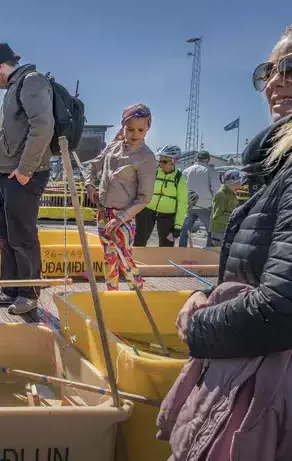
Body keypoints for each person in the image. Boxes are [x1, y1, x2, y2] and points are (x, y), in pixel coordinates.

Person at [160, 26, 292, 458]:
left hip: (267, 398)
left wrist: (197, 326)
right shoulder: (276, 168)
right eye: (268, 71)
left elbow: (280, 309)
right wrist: (204, 293)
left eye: (289, 66)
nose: (275, 81)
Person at [0, 42, 54, 314]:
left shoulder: (30, 81)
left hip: (22, 173)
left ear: (0, 67)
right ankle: (10, 288)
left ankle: (29, 293)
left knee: (22, 234)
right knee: (6, 234)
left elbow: (43, 127)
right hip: (7, 173)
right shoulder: (13, 87)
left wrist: (25, 170)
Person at [85, 104, 156, 290]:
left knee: (124, 255)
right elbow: (92, 166)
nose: (135, 133)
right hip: (103, 211)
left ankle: (137, 289)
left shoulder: (146, 156)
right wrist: (89, 184)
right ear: (123, 126)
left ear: (148, 128)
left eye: (141, 129)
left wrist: (121, 217)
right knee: (109, 255)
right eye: (130, 128)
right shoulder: (113, 148)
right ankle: (112, 291)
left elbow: (144, 197)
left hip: (123, 215)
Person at [133, 145, 188, 247]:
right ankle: (134, 261)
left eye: (165, 161)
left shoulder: (179, 178)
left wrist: (178, 226)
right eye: (160, 161)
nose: (161, 164)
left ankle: (164, 262)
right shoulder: (154, 173)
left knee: (166, 245)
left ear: (174, 161)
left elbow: (182, 203)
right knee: (139, 240)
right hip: (147, 211)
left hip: (167, 215)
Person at [178, 151, 221, 247]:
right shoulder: (210, 170)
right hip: (205, 206)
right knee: (210, 230)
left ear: (196, 159)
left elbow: (181, 188)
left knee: (184, 231)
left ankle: (181, 250)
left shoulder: (186, 171)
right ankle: (208, 251)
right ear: (208, 159)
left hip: (189, 205)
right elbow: (216, 189)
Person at [209, 169, 244, 247]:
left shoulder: (231, 193)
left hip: (227, 230)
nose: (240, 185)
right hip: (220, 233)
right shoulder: (221, 195)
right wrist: (235, 218)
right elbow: (217, 217)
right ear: (230, 183)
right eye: (237, 183)